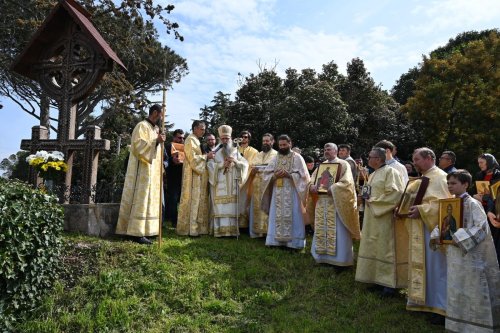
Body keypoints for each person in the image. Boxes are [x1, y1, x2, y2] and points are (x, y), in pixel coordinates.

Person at [430, 170, 500, 332]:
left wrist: (457, 238)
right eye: (448, 183)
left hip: (471, 257)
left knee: (472, 288)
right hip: (455, 256)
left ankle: (477, 327)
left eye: (454, 183)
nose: (450, 186)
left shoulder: (472, 204)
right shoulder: (450, 203)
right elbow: (443, 225)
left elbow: (481, 228)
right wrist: (438, 234)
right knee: (456, 287)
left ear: (466, 184)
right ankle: (458, 324)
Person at [406, 147, 451, 324]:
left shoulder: (440, 177)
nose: (414, 163)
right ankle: (421, 300)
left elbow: (444, 205)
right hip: (420, 227)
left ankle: (439, 307)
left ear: (429, 158)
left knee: (436, 268)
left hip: (433, 231)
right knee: (422, 265)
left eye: (417, 159)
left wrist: (422, 210)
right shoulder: (423, 177)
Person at [355, 147, 406, 296]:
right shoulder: (374, 173)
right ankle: (377, 280)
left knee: (385, 249)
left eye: (370, 157)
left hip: (385, 218)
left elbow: (396, 193)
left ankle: (389, 285)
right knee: (375, 246)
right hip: (372, 217)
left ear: (378, 159)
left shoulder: (391, 172)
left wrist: (373, 201)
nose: (368, 159)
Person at [116, 104, 165, 245]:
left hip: (153, 172)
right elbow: (138, 146)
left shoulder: (155, 129)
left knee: (150, 201)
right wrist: (156, 141)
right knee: (141, 198)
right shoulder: (141, 126)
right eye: (161, 114)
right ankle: (136, 232)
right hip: (142, 171)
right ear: (155, 113)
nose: (162, 118)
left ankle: (149, 230)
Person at [309, 143, 360, 267]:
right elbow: (313, 179)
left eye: (329, 149)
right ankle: (322, 257)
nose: (326, 151)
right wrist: (312, 186)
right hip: (322, 202)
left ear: (336, 151)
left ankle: (340, 260)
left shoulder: (343, 164)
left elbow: (348, 183)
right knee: (322, 228)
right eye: (325, 149)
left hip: (336, 203)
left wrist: (334, 187)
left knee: (338, 232)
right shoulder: (322, 165)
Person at [261, 135, 310, 249]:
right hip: (277, 192)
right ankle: (275, 242)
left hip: (292, 192)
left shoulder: (297, 157)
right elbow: (266, 174)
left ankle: (294, 243)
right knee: (276, 215)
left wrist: (289, 175)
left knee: (294, 214)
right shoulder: (276, 158)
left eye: (284, 145)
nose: (282, 147)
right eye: (280, 145)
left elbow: (304, 176)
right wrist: (274, 175)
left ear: (290, 144)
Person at [208, 125, 249, 237]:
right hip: (220, 183)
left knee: (231, 207)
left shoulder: (235, 151)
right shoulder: (215, 151)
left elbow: (245, 164)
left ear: (230, 138)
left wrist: (235, 161)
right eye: (223, 139)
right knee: (220, 207)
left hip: (232, 183)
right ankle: (220, 231)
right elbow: (210, 165)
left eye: (227, 138)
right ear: (219, 139)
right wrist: (222, 165)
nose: (225, 141)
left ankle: (232, 231)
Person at [177, 120, 214, 236]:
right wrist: (206, 156)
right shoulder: (190, 140)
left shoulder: (196, 140)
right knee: (192, 200)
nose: (203, 131)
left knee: (197, 201)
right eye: (201, 129)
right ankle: (189, 229)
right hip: (192, 175)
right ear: (195, 128)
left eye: (204, 129)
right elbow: (193, 159)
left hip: (196, 175)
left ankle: (196, 228)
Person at [240, 133, 278, 238]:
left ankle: (268, 232)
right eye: (264, 141)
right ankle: (256, 232)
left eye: (267, 141)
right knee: (256, 208)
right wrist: (253, 170)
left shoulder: (276, 155)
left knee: (268, 207)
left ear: (272, 141)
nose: (265, 143)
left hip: (268, 187)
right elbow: (250, 168)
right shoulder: (258, 154)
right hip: (256, 186)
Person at [475, 153, 500, 266]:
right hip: (482, 209)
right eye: (478, 163)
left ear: (489, 162)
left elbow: (495, 195)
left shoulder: (498, 175)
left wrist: (484, 197)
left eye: (482, 162)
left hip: (494, 210)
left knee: (494, 238)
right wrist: (475, 196)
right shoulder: (480, 175)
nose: (479, 165)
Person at [163, 129, 184, 228]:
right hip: (172, 177)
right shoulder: (167, 146)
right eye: (180, 137)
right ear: (174, 137)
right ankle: (174, 221)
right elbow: (165, 160)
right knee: (173, 200)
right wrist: (172, 160)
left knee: (182, 199)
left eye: (183, 138)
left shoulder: (185, 147)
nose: (182, 139)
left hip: (182, 177)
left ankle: (181, 219)